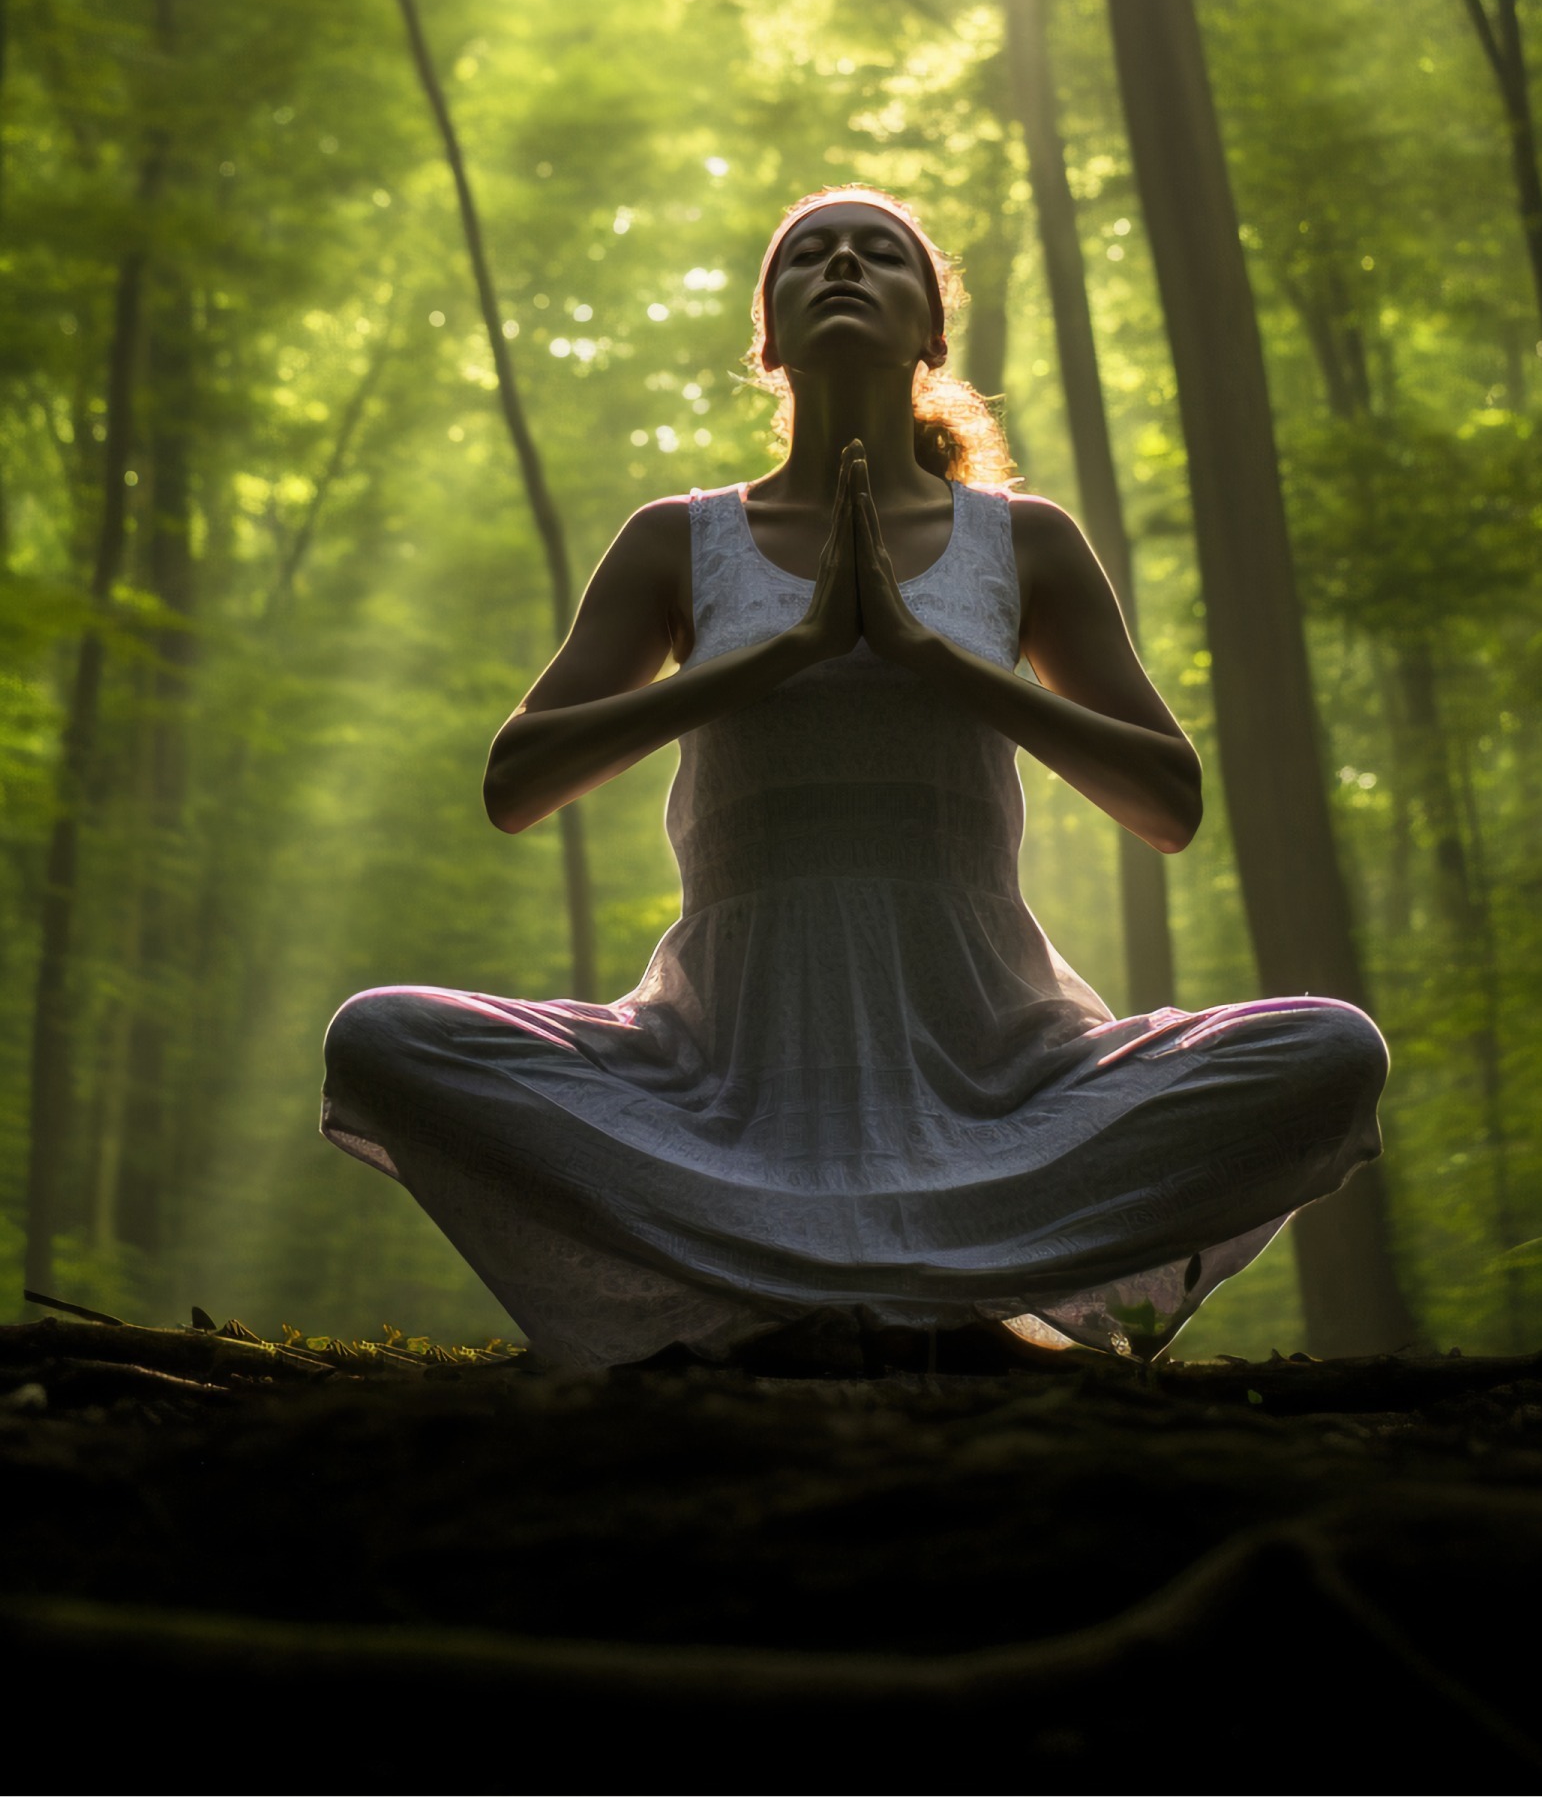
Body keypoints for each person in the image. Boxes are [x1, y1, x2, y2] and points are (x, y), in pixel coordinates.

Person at [321, 184, 1388, 1368]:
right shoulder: (677, 539)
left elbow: (1170, 806)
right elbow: (515, 783)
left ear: (932, 333)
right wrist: (784, 653)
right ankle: (885, 1287)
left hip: (997, 1074)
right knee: (380, 1039)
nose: (842, 266)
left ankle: (834, 1286)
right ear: (767, 338)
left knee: (1333, 1051)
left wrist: (937, 659)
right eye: (808, 256)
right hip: (716, 1082)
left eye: (880, 255)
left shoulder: (1022, 542)